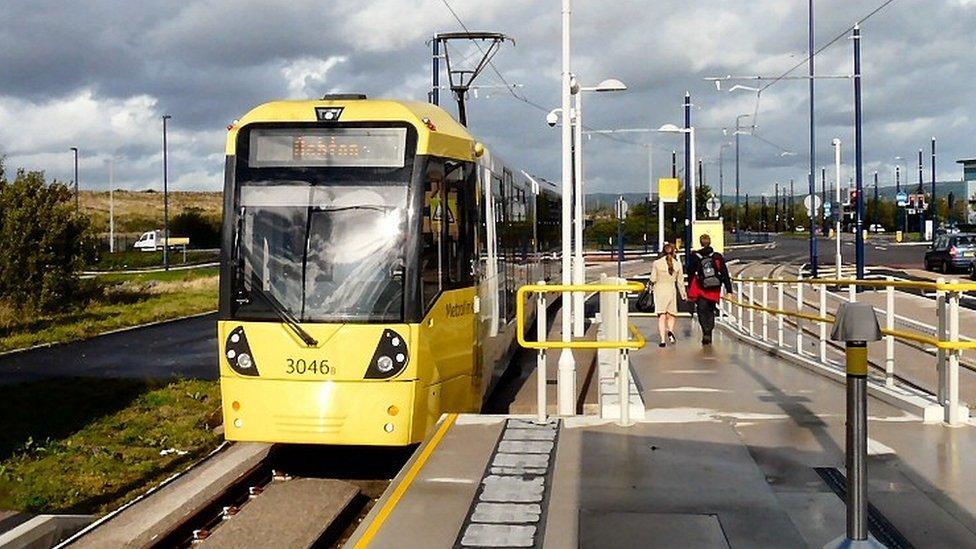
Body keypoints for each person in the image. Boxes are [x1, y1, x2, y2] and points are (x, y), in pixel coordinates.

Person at [688, 234, 733, 345]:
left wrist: (689, 287)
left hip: (701, 288)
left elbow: (690, 273)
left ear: (700, 242)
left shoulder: (695, 256)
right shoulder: (717, 256)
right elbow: (724, 273)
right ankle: (709, 331)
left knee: (701, 311)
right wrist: (729, 290)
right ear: (710, 242)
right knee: (711, 310)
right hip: (714, 288)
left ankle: (705, 331)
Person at [649, 243, 687, 348]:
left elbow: (653, 279)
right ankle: (670, 331)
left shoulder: (656, 263)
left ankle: (662, 340)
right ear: (674, 252)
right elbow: (680, 281)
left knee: (662, 316)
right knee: (671, 315)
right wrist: (683, 294)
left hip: (660, 290)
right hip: (671, 290)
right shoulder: (677, 264)